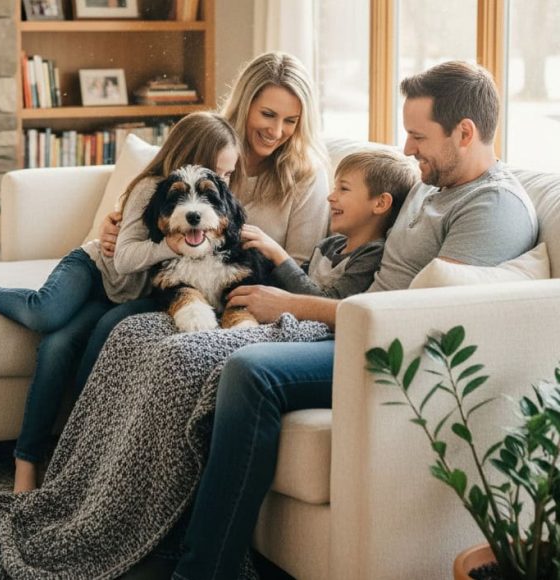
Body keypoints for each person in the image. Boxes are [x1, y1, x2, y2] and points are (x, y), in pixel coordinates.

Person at [171, 60, 539, 579]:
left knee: (251, 370)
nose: (407, 150)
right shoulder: (434, 185)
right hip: (351, 321)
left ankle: (203, 571)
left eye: (417, 136)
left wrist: (293, 304)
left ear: (465, 132)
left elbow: (423, 319)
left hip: (393, 351)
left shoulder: (491, 207)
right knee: (195, 349)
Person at [0, 111, 241, 493]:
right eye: (219, 173)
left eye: (227, 177)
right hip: (94, 268)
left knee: (57, 346)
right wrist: (168, 244)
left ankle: (53, 453)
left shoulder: (211, 211)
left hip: (122, 293)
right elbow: (124, 258)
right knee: (46, 313)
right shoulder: (152, 191)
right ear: (190, 158)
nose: (223, 185)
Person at [74, 51, 331, 391]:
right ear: (244, 106)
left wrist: (268, 255)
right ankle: (78, 427)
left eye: (291, 121)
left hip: (251, 287)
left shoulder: (306, 177)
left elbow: (299, 266)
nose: (276, 131)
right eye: (267, 114)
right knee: (93, 324)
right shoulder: (213, 148)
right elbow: (161, 195)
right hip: (176, 278)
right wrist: (116, 224)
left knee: (114, 323)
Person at [245, 148, 418, 299]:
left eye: (343, 189)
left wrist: (279, 255)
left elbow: (328, 303)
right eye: (334, 188)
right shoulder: (328, 246)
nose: (330, 197)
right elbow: (292, 285)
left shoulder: (372, 254)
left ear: (380, 203)